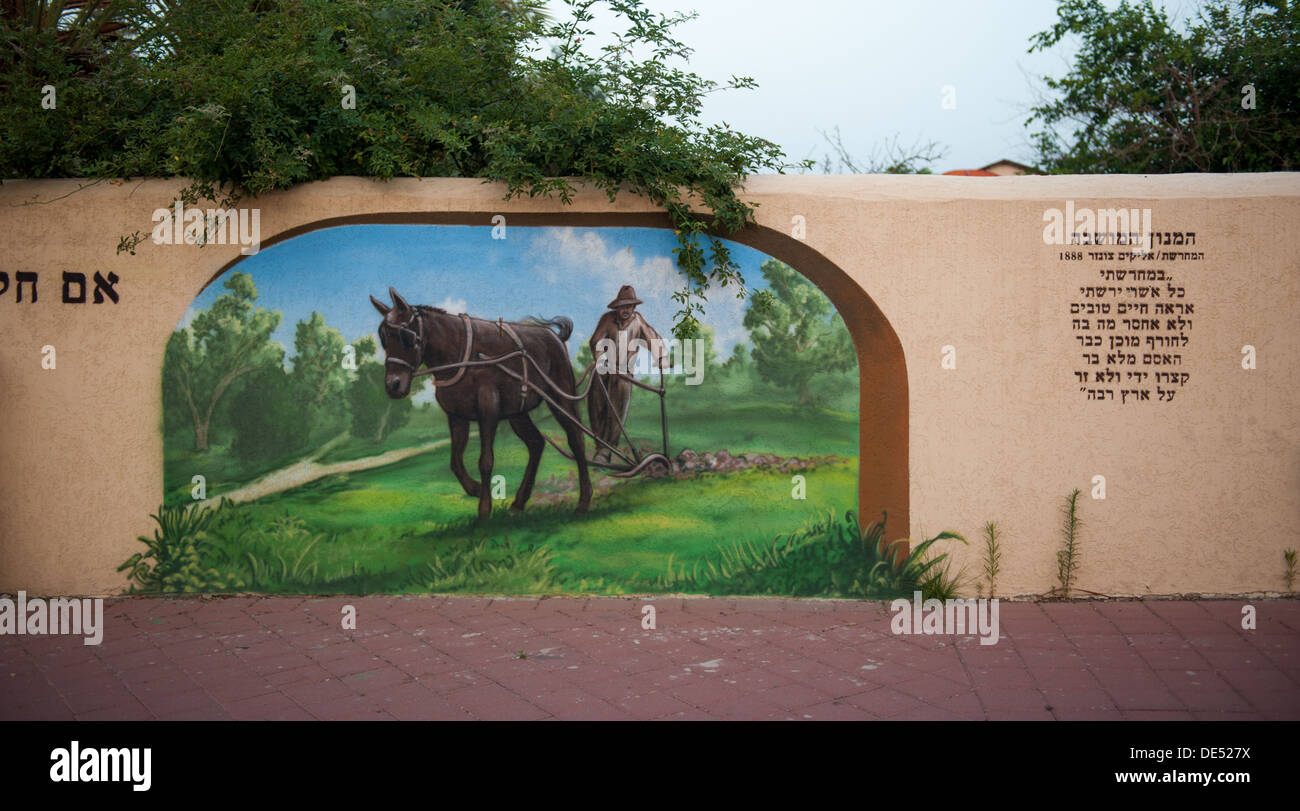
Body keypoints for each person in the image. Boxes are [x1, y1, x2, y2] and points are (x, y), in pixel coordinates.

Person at [587, 285, 667, 464]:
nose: (626, 310)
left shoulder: (638, 322)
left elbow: (653, 339)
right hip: (603, 371)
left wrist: (661, 358)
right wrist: (601, 358)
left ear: (634, 307)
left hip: (624, 375)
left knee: (616, 413)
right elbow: (595, 341)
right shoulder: (607, 320)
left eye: (629, 306)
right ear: (617, 308)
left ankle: (605, 452)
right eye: (622, 306)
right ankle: (600, 447)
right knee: (596, 409)